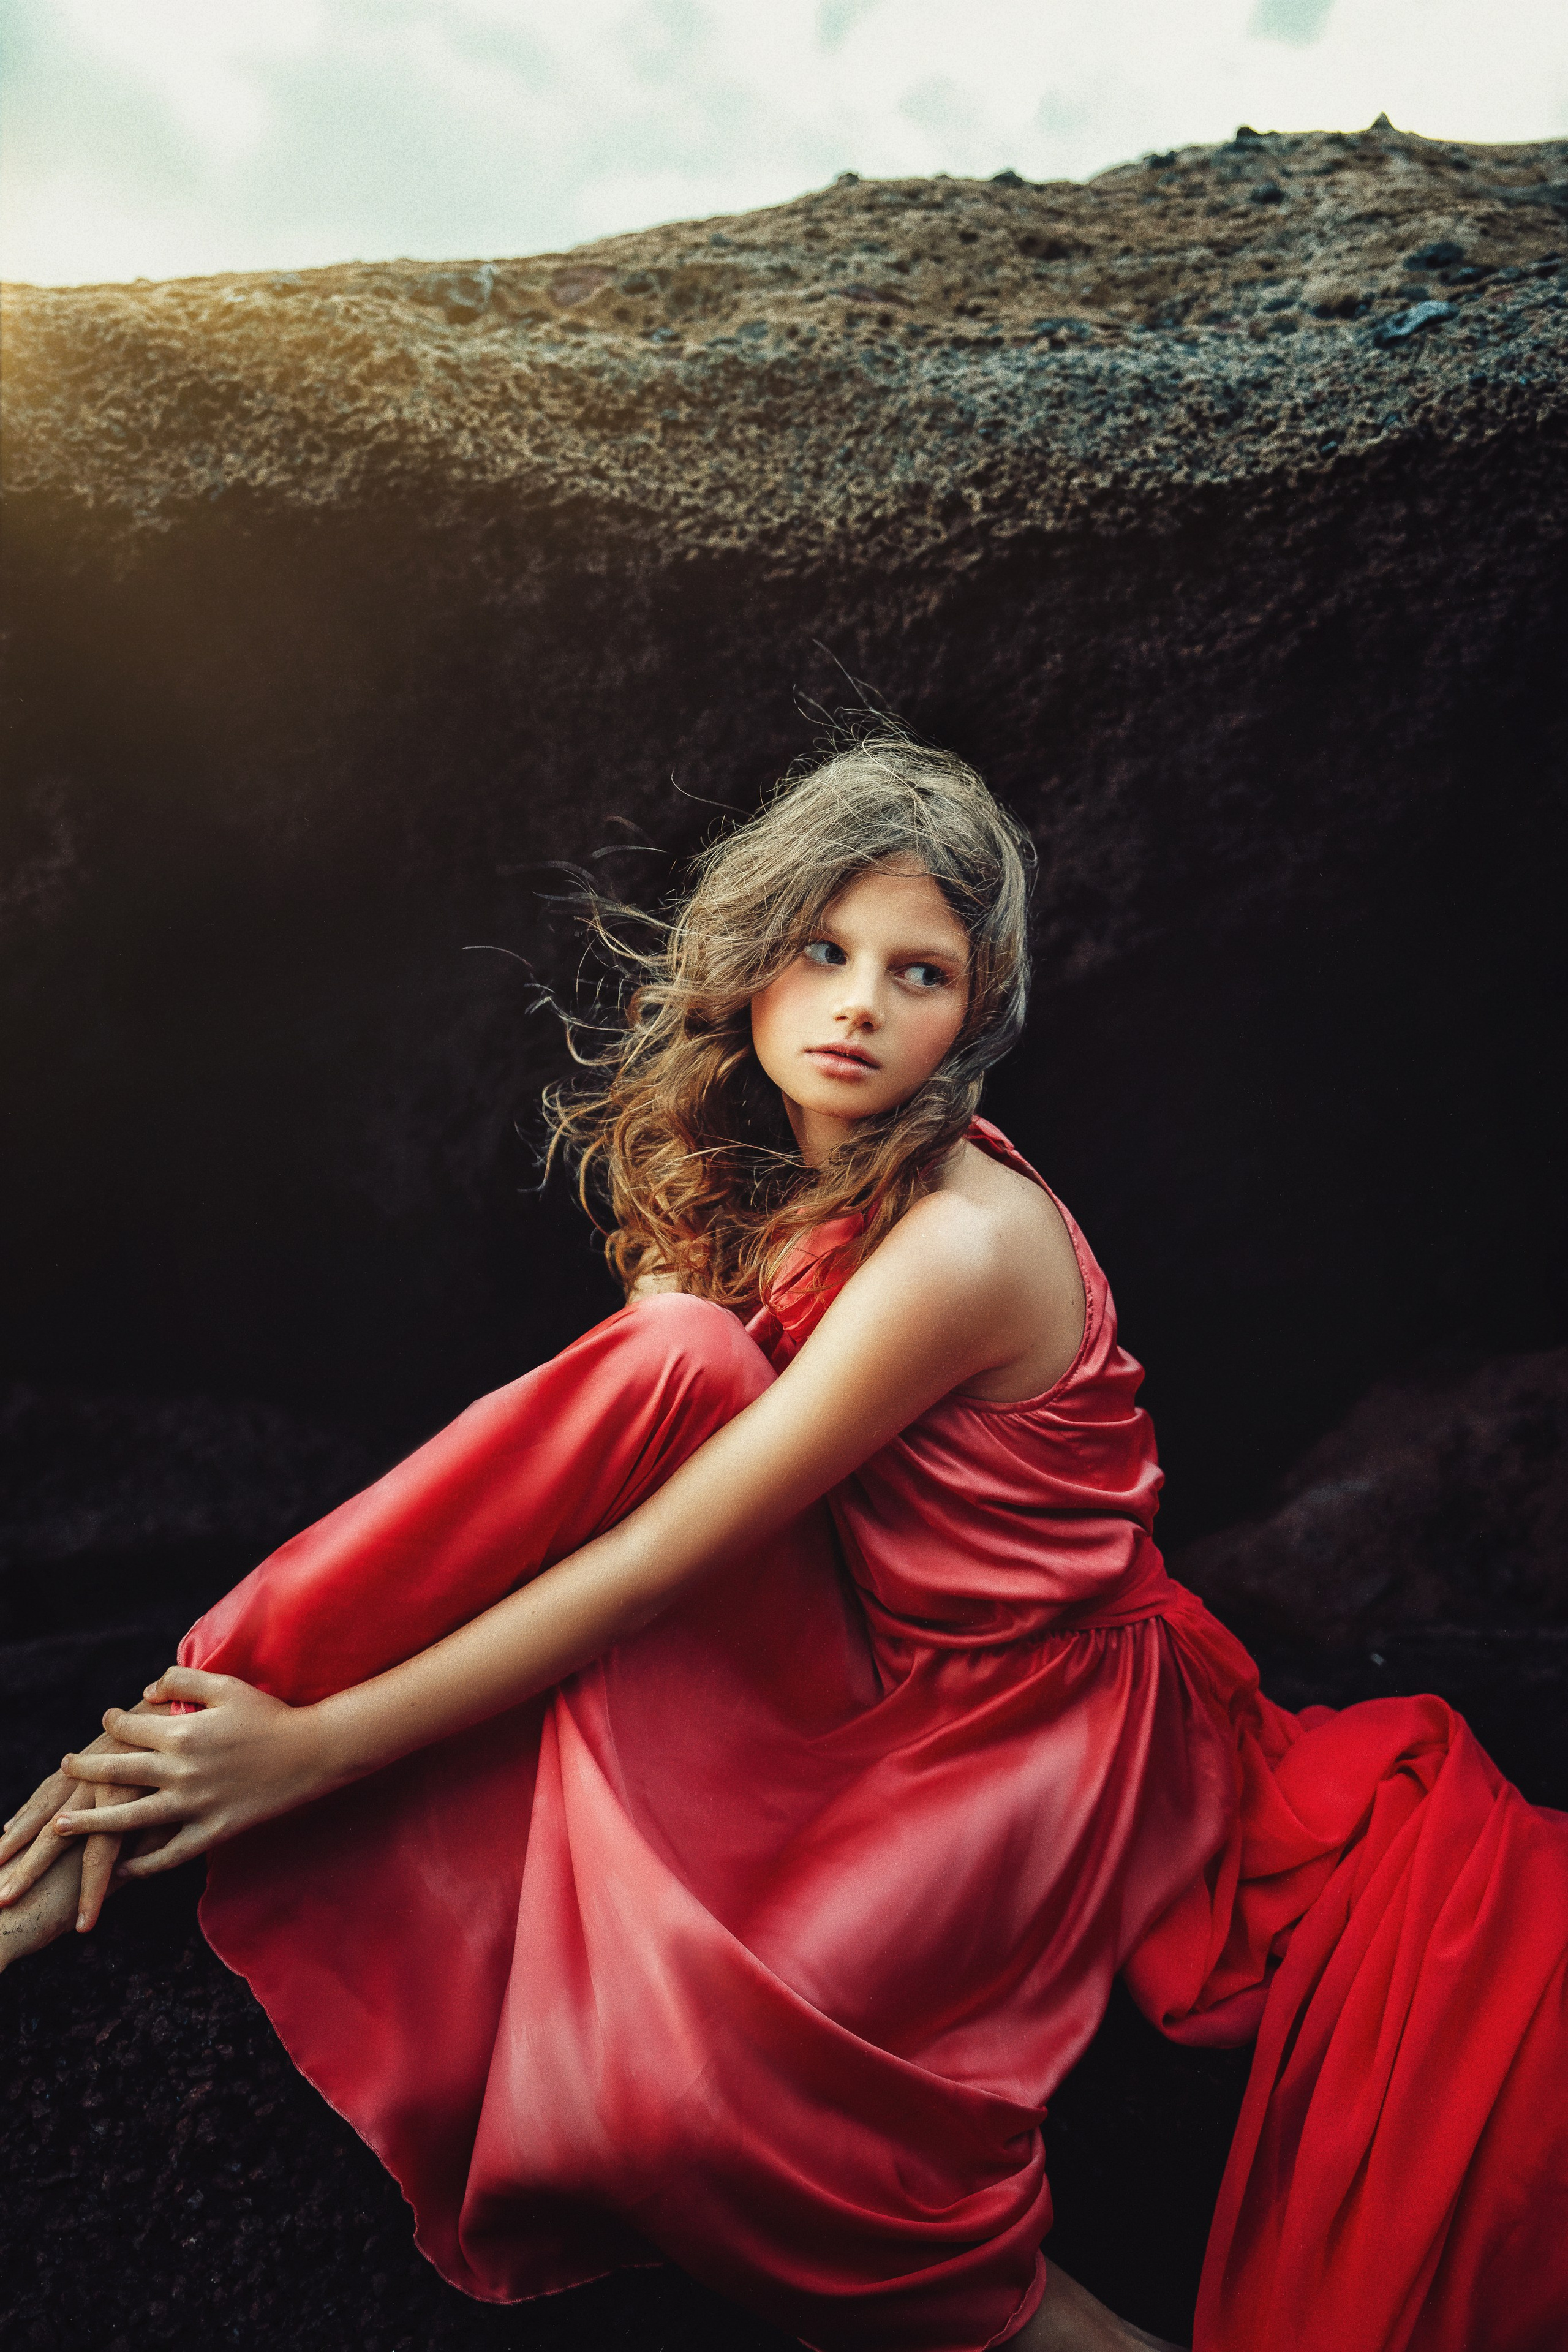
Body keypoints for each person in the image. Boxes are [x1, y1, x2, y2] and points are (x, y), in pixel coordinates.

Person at [1, 736, 1565, 2352]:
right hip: (864, 1652)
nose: (859, 1004)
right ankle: (148, 1759)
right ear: (750, 956)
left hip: (1037, 1733)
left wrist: (320, 1749)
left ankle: (1065, 2333)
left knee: (695, 2085)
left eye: (921, 974)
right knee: (669, 1355)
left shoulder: (962, 1242)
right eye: (823, 948)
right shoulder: (774, 1178)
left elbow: (663, 1557)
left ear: (976, 1018)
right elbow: (562, 1488)